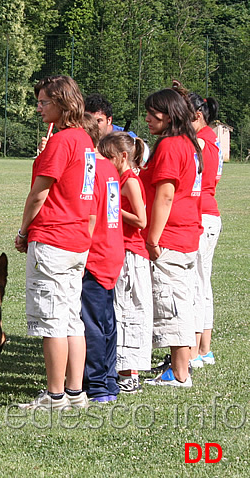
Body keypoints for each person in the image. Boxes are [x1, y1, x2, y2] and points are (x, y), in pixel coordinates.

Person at [15, 75, 95, 411]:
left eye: (44, 102)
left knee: (52, 321)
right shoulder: (86, 140)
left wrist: (22, 231)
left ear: (62, 103)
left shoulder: (62, 141)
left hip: (54, 238)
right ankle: (76, 393)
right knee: (71, 318)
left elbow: (40, 194)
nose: (39, 107)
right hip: (76, 238)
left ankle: (55, 395)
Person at [140, 87, 203, 388]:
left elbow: (165, 196)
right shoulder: (189, 143)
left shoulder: (169, 146)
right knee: (182, 301)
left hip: (171, 238)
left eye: (155, 112)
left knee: (171, 303)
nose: (149, 118)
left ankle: (180, 374)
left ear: (170, 114)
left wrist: (152, 239)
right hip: (187, 232)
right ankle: (181, 367)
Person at [98, 131, 151, 394]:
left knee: (129, 310)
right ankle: (119, 368)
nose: (105, 163)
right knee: (118, 310)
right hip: (121, 249)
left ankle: (131, 373)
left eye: (108, 157)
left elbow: (141, 220)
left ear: (123, 156)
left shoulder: (130, 180)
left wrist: (113, 207)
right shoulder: (118, 178)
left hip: (132, 252)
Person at [79, 115, 125, 403]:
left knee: (92, 323)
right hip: (112, 250)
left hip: (95, 254)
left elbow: (91, 216)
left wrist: (80, 251)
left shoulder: (91, 168)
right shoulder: (109, 166)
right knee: (107, 321)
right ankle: (109, 379)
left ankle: (96, 386)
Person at [186, 92, 222, 368]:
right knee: (202, 283)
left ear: (197, 115)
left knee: (196, 285)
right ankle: (203, 348)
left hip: (202, 214)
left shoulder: (201, 141)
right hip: (210, 213)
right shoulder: (211, 138)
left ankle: (195, 351)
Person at [85, 93, 150, 162]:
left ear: (109, 120)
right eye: (90, 121)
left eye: (99, 121)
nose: (94, 125)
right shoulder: (81, 137)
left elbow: (144, 160)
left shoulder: (127, 138)